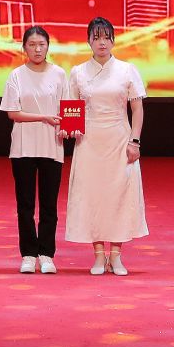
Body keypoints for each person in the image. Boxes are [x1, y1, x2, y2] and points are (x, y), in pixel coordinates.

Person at [63, 15, 147, 275]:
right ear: (88, 41)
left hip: (119, 140)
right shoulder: (78, 72)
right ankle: (99, 255)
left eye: (107, 38)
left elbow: (137, 108)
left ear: (113, 40)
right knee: (93, 197)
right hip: (88, 143)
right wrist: (70, 127)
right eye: (96, 38)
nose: (102, 43)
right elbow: (72, 109)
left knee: (119, 195)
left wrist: (135, 141)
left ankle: (117, 256)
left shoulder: (127, 70)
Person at [0, 25, 67, 274]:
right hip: (23, 147)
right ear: (24, 48)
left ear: (48, 46)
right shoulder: (16, 75)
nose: (37, 49)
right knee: (25, 205)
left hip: (52, 146)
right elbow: (12, 112)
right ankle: (28, 254)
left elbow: (69, 109)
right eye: (32, 45)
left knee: (49, 205)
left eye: (41, 44)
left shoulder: (59, 74)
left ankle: (46, 254)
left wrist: (68, 128)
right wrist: (43, 117)